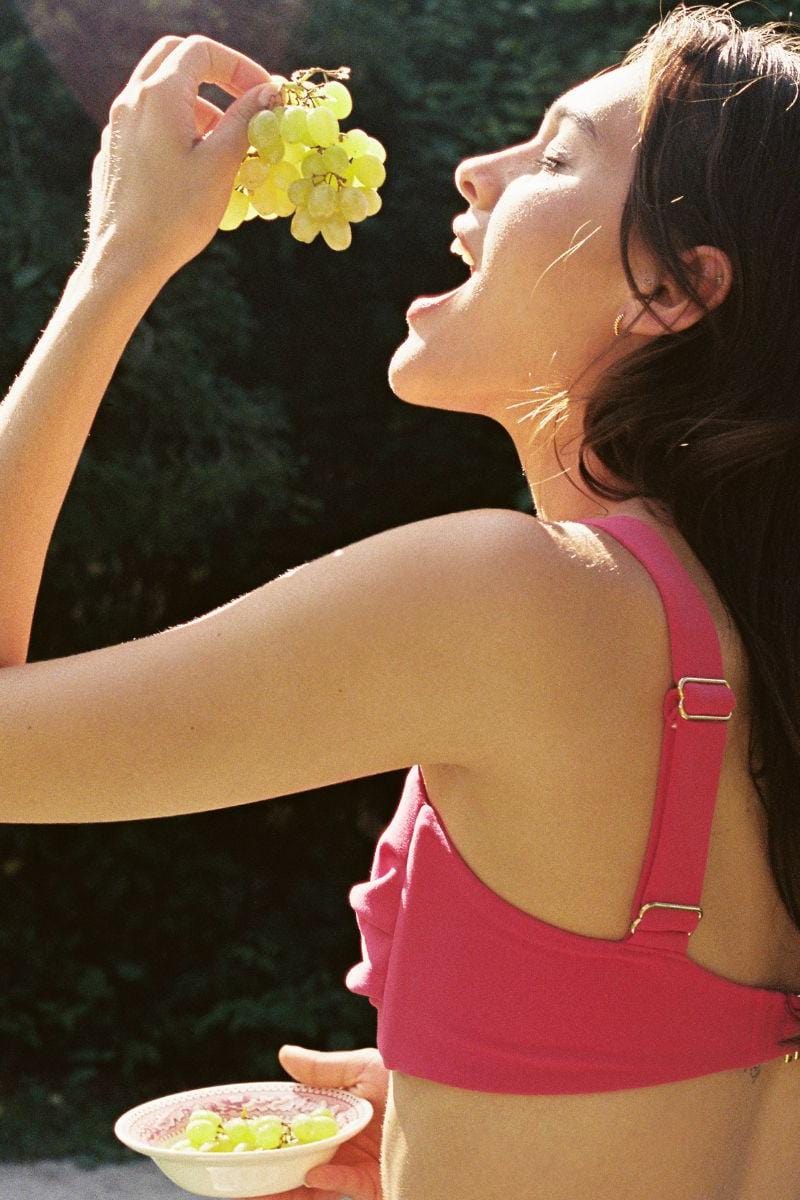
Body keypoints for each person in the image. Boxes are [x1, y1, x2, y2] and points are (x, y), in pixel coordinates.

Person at [4, 3, 800, 1196]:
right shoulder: (755, 630)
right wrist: (463, 1115)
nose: (478, 172)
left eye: (558, 155)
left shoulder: (505, 598)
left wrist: (118, 257)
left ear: (670, 292)